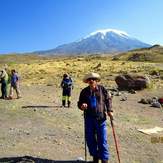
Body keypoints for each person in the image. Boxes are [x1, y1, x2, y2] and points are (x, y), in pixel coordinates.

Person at [78, 72, 113, 163]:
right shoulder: (84, 91)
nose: (91, 81)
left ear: (96, 80)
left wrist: (109, 110)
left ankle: (104, 160)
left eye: (93, 79)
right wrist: (82, 105)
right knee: (90, 140)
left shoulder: (102, 89)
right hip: (89, 119)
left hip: (101, 118)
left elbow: (108, 100)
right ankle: (95, 158)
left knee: (102, 140)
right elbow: (80, 103)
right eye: (89, 79)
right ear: (87, 81)